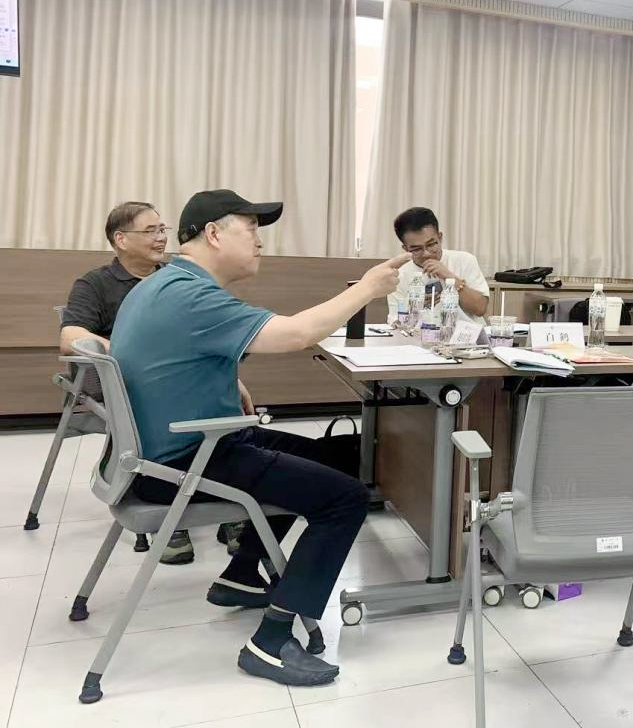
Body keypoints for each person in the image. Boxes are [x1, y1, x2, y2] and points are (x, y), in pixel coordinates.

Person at [110, 189, 409, 687]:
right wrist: (368, 288)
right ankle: (270, 642)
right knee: (345, 499)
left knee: (335, 459)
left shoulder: (164, 285)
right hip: (186, 461)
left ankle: (242, 574)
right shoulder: (192, 295)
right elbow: (295, 334)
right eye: (251, 229)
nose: (260, 242)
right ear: (213, 234)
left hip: (176, 449)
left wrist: (229, 380)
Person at [59, 201, 202, 566]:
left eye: (162, 229)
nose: (161, 237)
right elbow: (70, 336)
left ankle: (227, 501)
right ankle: (167, 510)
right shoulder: (95, 284)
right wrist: (131, 355)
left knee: (221, 400)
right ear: (121, 239)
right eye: (150, 231)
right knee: (171, 409)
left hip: (182, 381)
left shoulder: (178, 278)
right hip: (126, 385)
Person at [387, 206, 490, 325]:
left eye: (431, 244)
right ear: (405, 248)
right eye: (416, 249)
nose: (426, 253)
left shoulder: (465, 260)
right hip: (422, 335)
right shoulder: (398, 277)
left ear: (440, 238)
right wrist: (415, 308)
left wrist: (450, 277)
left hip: (468, 334)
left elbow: (480, 309)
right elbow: (396, 324)